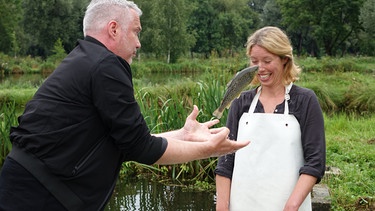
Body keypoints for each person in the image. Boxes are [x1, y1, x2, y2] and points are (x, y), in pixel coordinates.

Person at [0, 1, 249, 210]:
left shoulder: (86, 60)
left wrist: (184, 135)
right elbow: (142, 149)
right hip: (38, 197)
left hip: (27, 190)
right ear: (114, 29)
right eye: (136, 31)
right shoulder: (106, 65)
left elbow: (128, 143)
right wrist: (208, 149)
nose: (139, 43)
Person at [214, 26, 326, 211]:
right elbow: (226, 162)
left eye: (267, 60)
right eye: (254, 61)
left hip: (289, 206)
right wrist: (222, 207)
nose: (260, 68)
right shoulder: (240, 102)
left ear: (284, 60)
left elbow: (315, 162)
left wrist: (291, 206)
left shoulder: (305, 100)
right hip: (242, 204)